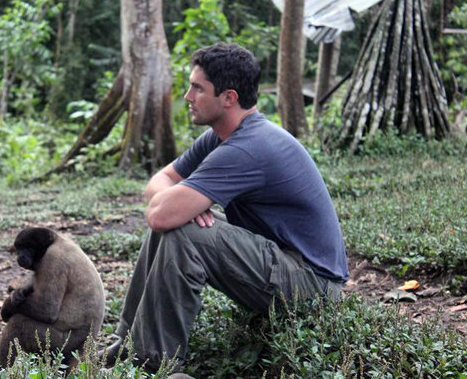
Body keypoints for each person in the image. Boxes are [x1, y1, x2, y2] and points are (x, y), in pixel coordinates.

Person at [99, 43, 349, 373]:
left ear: (228, 98)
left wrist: (179, 206)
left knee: (183, 230)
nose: (188, 96)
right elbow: (160, 181)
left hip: (313, 288)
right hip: (287, 264)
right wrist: (179, 203)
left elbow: (159, 214)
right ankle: (127, 345)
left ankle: (155, 366)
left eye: (197, 88)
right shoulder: (222, 136)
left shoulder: (248, 148)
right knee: (177, 224)